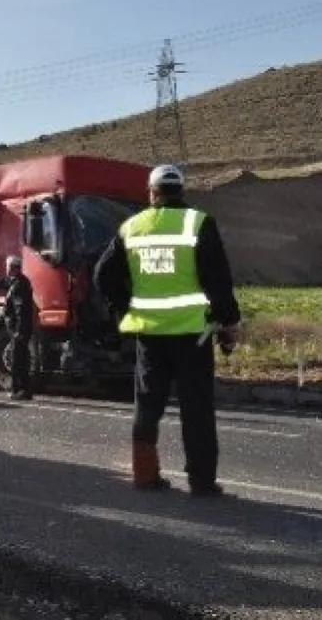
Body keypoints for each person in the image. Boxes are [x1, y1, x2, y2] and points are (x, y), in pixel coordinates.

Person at [93, 164, 241, 498]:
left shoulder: (132, 227)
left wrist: (125, 306)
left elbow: (103, 275)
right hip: (193, 333)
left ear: (152, 192)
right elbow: (219, 279)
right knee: (197, 407)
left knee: (147, 404)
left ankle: (145, 475)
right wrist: (227, 323)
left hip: (149, 334)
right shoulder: (199, 223)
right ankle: (201, 482)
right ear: (181, 190)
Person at [1, 256, 35, 400]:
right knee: (21, 358)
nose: (6, 269)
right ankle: (24, 390)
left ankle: (18, 390)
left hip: (19, 329)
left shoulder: (20, 284)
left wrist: (18, 331)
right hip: (19, 328)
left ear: (14, 267)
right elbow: (5, 283)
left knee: (17, 360)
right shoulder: (17, 281)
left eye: (8, 267)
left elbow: (20, 309)